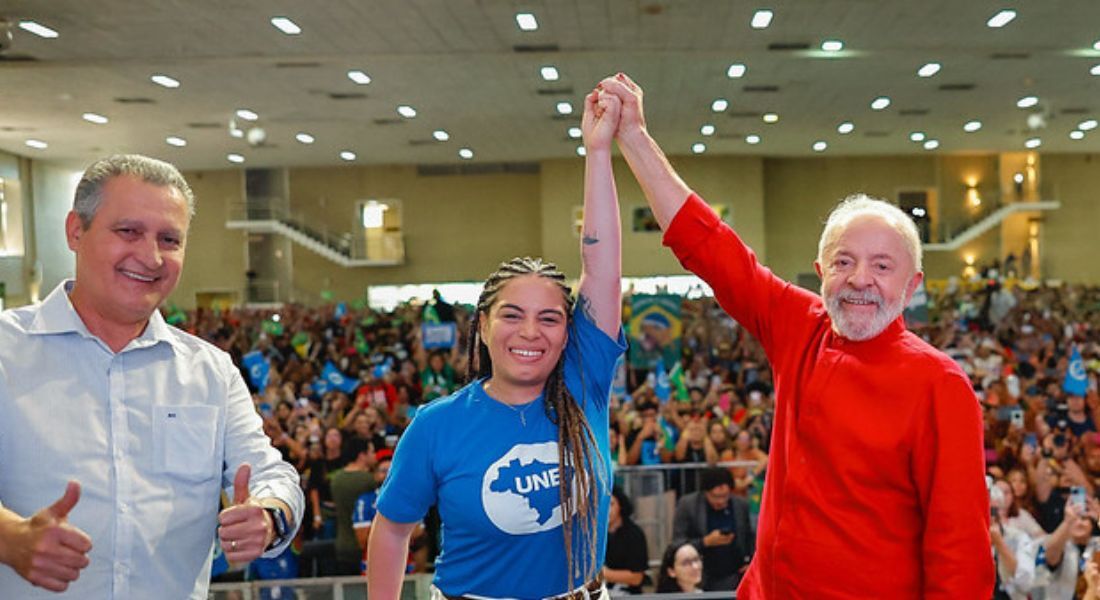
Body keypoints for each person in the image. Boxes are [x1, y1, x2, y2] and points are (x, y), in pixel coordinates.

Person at [599, 73, 993, 598]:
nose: (859, 280)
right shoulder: (800, 326)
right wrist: (635, 138)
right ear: (820, 270)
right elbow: (712, 248)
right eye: (844, 262)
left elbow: (960, 554)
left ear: (913, 284)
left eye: (882, 265)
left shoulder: (940, 384)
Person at [0, 154, 303, 598]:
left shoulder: (210, 372)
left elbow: (271, 474)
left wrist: (269, 512)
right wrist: (10, 539)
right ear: (75, 231)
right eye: (128, 232)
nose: (151, 256)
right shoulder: (7, 351)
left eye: (169, 239)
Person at [367, 86, 626, 597]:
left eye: (550, 318)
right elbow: (392, 530)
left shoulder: (584, 382)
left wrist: (597, 152)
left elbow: (604, 266)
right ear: (482, 327)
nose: (530, 333)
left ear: (569, 332)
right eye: (512, 315)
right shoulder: (437, 425)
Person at [671, 467, 753, 590]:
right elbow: (677, 542)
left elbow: (750, 537)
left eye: (725, 496)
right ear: (705, 492)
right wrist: (705, 542)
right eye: (716, 496)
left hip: (735, 574)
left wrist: (751, 563)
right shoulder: (688, 506)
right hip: (702, 573)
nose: (721, 501)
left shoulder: (740, 505)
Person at [328, 437, 376, 575]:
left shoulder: (336, 479)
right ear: (362, 455)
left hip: (342, 542)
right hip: (362, 544)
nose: (374, 455)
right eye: (371, 452)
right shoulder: (367, 480)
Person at [602, 487, 649, 594]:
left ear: (621, 506)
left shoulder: (634, 534)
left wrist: (604, 574)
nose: (606, 509)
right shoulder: (594, 533)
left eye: (611, 504)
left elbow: (637, 578)